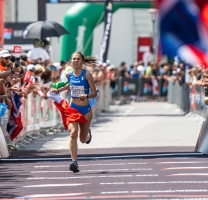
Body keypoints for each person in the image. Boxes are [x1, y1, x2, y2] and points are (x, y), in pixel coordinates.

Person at [48, 51, 97, 173]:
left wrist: (86, 95)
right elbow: (69, 86)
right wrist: (57, 90)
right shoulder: (69, 75)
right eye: (74, 59)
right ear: (71, 61)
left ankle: (88, 135)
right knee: (73, 133)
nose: (76, 61)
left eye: (78, 59)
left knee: (83, 139)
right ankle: (74, 161)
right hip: (73, 108)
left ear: (82, 61)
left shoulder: (87, 75)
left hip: (85, 110)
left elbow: (94, 93)